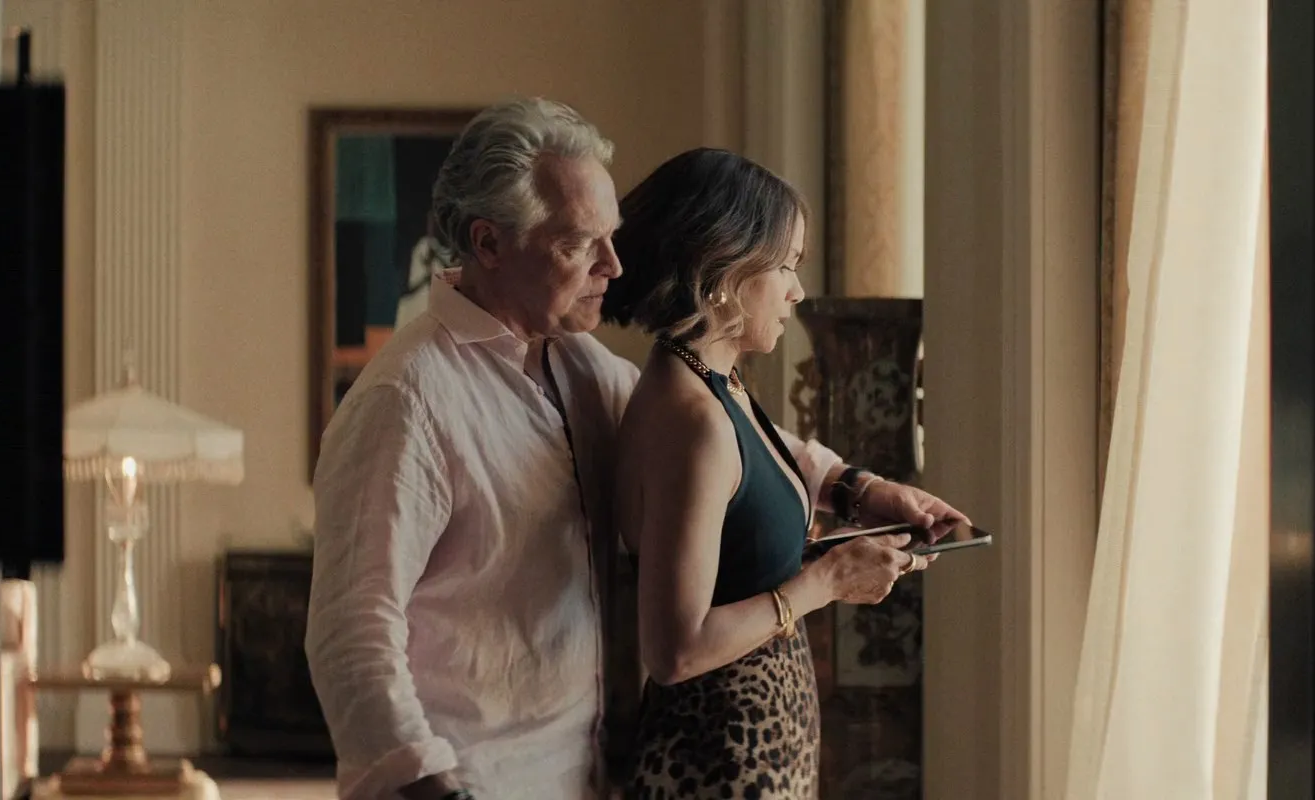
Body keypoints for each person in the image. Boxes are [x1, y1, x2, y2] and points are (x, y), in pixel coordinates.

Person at [305, 97, 968, 800]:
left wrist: (857, 488)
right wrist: (432, 790)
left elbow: (727, 444)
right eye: (578, 244)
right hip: (476, 781)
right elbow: (352, 633)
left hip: (585, 776)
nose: (615, 266)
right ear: (489, 243)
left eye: (612, 237)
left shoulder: (577, 363)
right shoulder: (405, 399)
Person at [603, 148, 948, 799]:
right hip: (719, 766)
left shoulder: (715, 384)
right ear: (725, 267)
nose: (796, 291)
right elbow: (675, 650)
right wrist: (829, 580)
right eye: (786, 265)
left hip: (750, 753)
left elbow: (744, 535)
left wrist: (862, 496)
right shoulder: (694, 422)